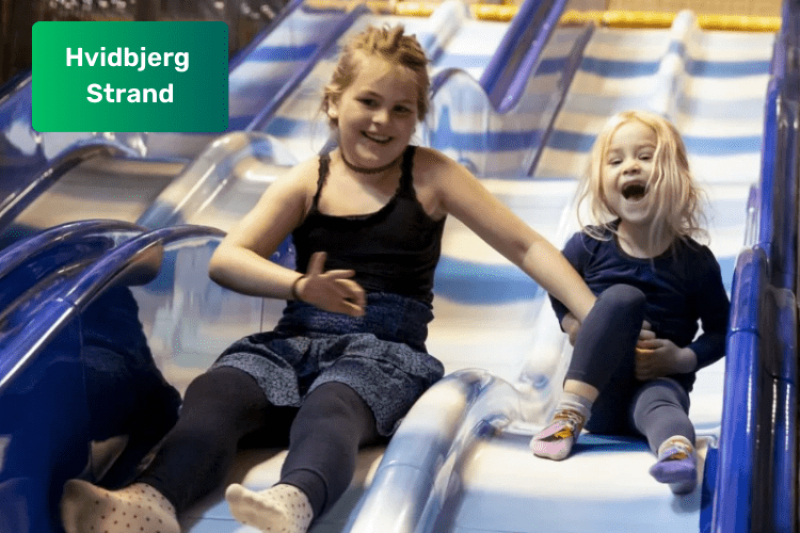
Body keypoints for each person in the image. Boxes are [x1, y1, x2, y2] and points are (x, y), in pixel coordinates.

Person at [60, 24, 596, 533]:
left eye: (401, 109)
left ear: (417, 119)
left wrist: (592, 315)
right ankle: (151, 502)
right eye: (368, 101)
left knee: (331, 406)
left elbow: (526, 245)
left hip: (383, 354)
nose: (382, 120)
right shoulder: (308, 180)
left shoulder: (431, 174)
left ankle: (293, 501)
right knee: (215, 393)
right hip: (292, 344)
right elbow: (228, 258)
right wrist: (299, 287)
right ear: (334, 102)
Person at [529, 110, 730, 495]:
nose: (631, 167)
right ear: (601, 183)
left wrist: (681, 359)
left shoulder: (695, 261)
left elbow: (722, 331)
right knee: (623, 298)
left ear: (677, 174)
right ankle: (567, 415)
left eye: (646, 156)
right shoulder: (588, 246)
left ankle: (676, 453)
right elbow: (557, 287)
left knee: (663, 405)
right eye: (615, 161)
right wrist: (573, 324)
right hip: (597, 396)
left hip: (659, 384)